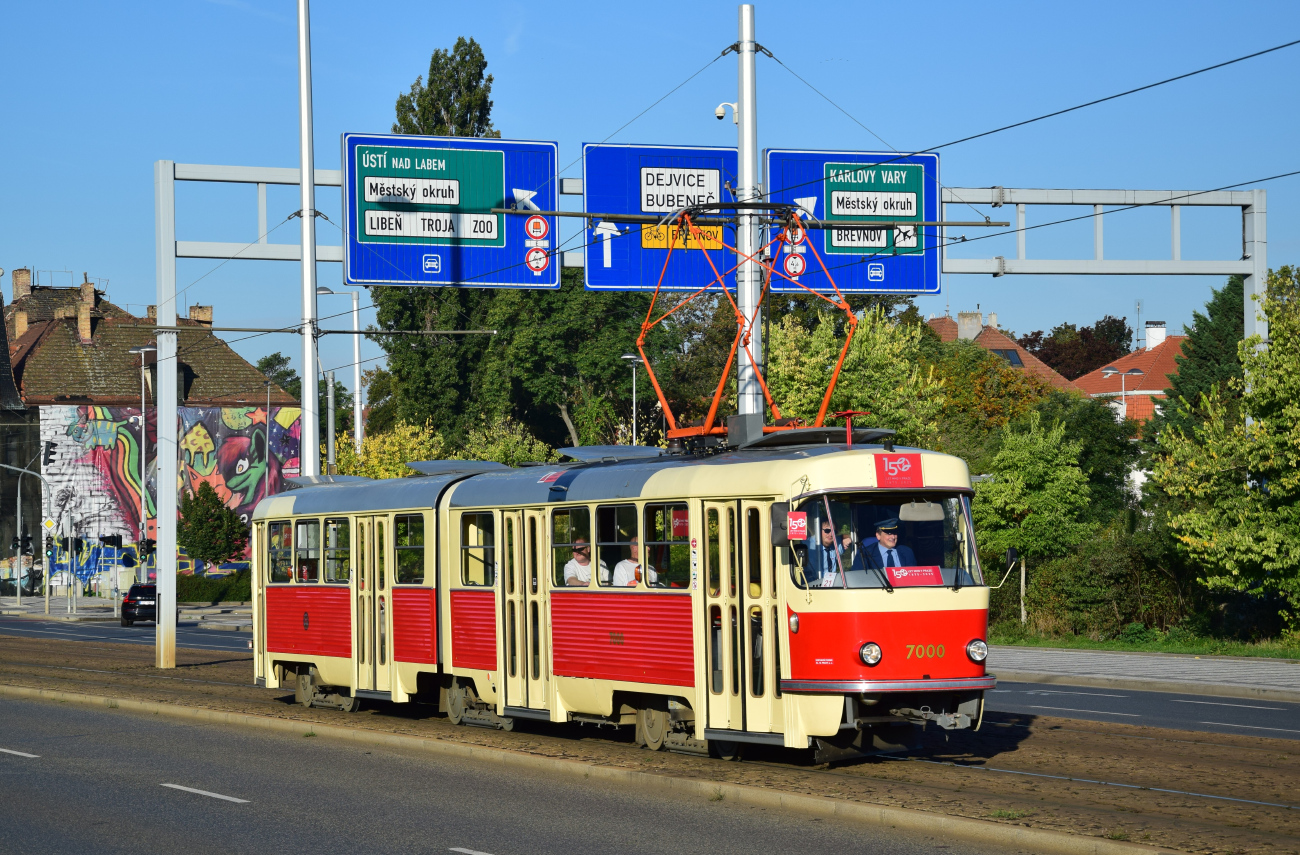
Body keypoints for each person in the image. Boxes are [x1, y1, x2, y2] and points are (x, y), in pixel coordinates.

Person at [804, 519, 850, 586]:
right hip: (811, 587)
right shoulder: (807, 545)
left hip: (831, 587)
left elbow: (849, 536)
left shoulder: (835, 544)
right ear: (818, 530)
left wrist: (846, 538)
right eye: (827, 531)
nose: (831, 534)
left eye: (834, 532)